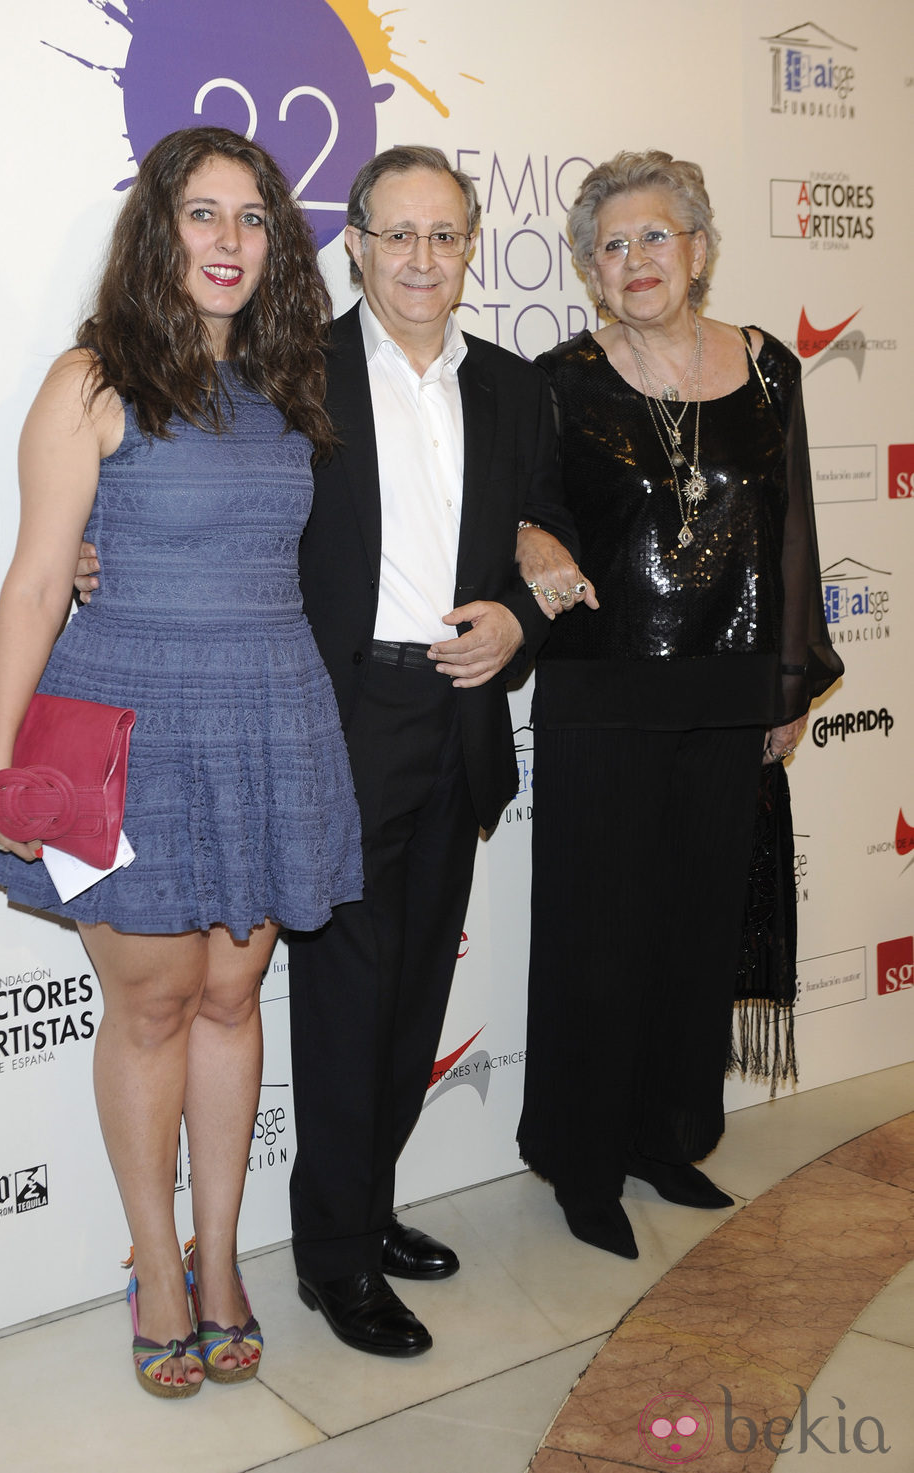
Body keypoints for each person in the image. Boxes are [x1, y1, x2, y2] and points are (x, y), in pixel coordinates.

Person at [77, 142, 586, 1357]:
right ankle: (333, 1260)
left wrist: (523, 610)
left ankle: (370, 1204)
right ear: (352, 242)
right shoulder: (283, 370)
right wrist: (101, 553)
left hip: (458, 717)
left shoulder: (516, 388)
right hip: (323, 718)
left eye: (444, 235)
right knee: (344, 1003)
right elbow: (185, 482)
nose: (420, 258)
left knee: (414, 999)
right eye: (395, 234)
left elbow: (546, 517)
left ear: (471, 251)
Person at [0, 126, 362, 1396]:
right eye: (203, 214)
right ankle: (155, 1267)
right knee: (146, 1006)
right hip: (130, 722)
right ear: (159, 229)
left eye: (252, 219)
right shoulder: (92, 379)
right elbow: (37, 582)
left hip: (267, 715)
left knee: (233, 1002)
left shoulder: (290, 378)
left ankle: (220, 1252)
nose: (230, 242)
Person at [514, 150, 842, 1261]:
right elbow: (516, 511)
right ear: (589, 273)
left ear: (697, 248)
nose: (634, 260)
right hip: (601, 690)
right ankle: (581, 1159)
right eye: (610, 246)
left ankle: (664, 1138)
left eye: (655, 236)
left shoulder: (764, 368)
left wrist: (788, 677)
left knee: (695, 928)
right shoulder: (555, 382)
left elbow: (789, 522)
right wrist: (533, 538)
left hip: (725, 689)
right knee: (593, 935)